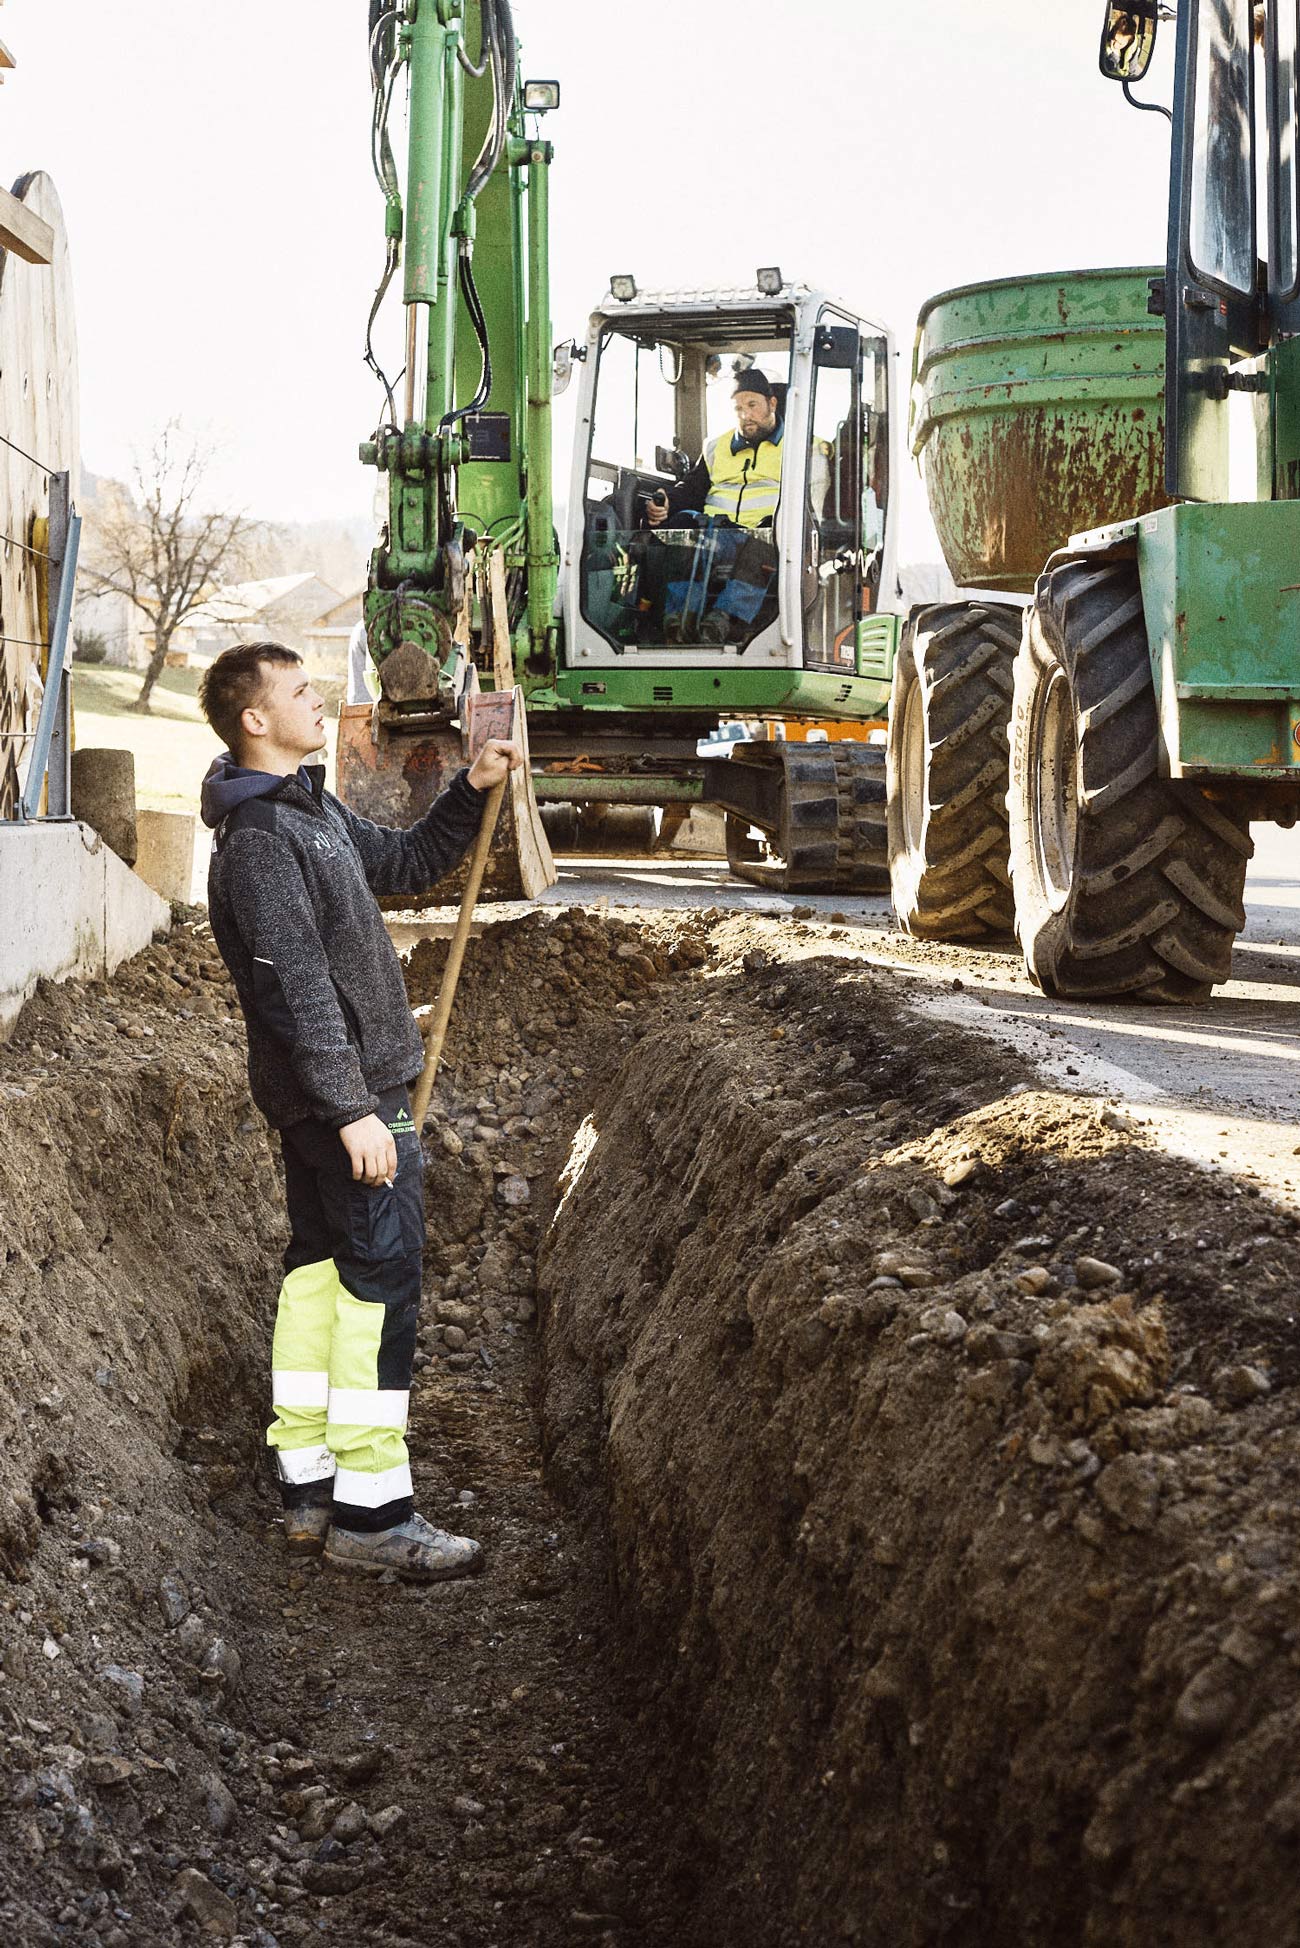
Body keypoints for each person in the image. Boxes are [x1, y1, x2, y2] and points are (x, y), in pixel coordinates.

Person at [197, 639, 521, 1583]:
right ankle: (374, 1515)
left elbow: (410, 859)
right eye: (299, 691)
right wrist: (353, 1109)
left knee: (321, 1272)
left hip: (332, 1099)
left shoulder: (308, 807)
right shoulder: (260, 844)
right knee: (380, 1286)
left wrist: (472, 784)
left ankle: (309, 1488)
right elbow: (295, 988)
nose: (318, 699)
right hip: (343, 1102)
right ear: (255, 719)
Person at [643, 369, 785, 644]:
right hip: (716, 536)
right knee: (683, 524)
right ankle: (678, 621)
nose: (745, 415)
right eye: (738, 409)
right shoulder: (716, 447)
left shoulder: (799, 448)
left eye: (752, 405)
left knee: (766, 536)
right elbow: (693, 489)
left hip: (764, 537)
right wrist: (667, 500)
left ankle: (725, 620)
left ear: (772, 403)